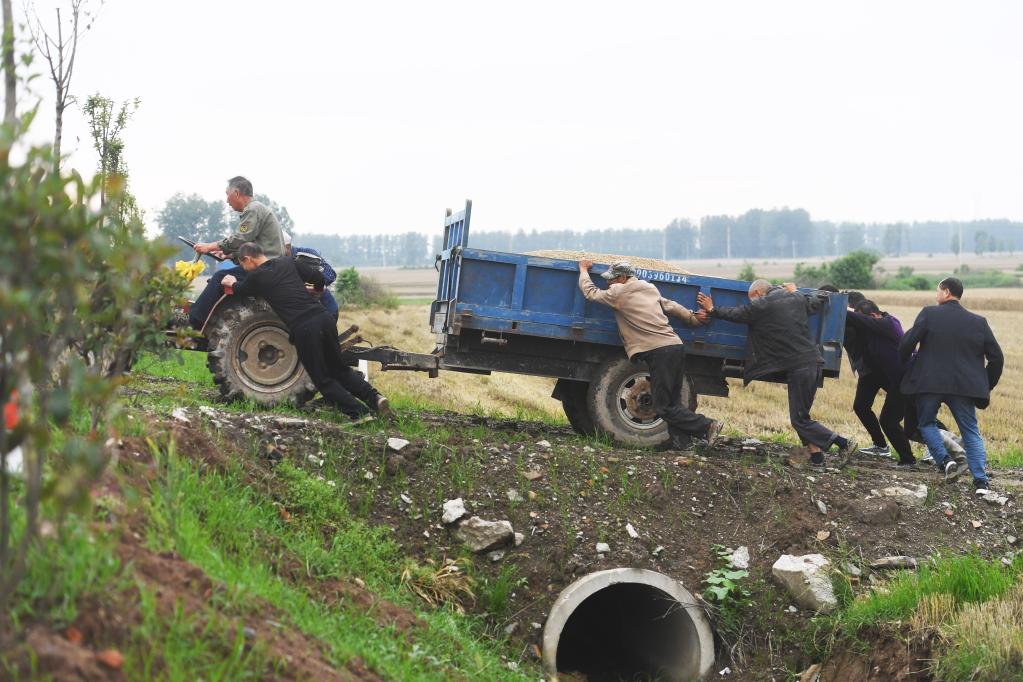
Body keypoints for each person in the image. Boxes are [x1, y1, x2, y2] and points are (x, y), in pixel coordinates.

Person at [222, 242, 390, 422]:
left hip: (306, 328)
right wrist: (317, 291)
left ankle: (359, 414)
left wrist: (230, 281)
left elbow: (239, 289)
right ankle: (375, 398)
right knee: (339, 368)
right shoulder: (287, 262)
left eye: (242, 265)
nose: (244, 269)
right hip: (324, 318)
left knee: (322, 379)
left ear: (247, 259)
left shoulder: (256, 277)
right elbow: (319, 277)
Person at [696, 280, 857, 468]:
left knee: (800, 420)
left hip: (800, 366)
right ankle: (817, 459)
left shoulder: (762, 304)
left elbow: (737, 314)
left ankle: (844, 444)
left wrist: (712, 309)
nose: (752, 302)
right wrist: (797, 291)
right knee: (801, 415)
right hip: (811, 363)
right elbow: (814, 302)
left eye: (751, 299)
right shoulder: (794, 298)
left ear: (757, 293)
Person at [578, 260, 723, 451]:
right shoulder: (649, 288)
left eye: (611, 279)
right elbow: (670, 306)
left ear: (622, 277)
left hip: (659, 352)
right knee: (672, 403)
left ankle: (708, 426)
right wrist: (693, 318)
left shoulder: (618, 292)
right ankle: (682, 445)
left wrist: (583, 270)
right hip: (675, 347)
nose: (608, 283)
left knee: (663, 407)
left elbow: (590, 292)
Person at [899, 277, 1003, 493]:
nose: (936, 295)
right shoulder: (979, 322)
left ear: (946, 292)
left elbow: (907, 343)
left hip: (929, 382)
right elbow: (997, 358)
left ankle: (946, 461)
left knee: (926, 424)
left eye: (937, 291)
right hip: (964, 387)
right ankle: (981, 482)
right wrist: (985, 384)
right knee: (971, 432)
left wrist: (905, 365)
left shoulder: (929, 313)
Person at [188, 177, 286, 330]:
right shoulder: (256, 209)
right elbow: (251, 247)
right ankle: (211, 321)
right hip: (268, 267)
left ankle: (192, 323)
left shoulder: (253, 209)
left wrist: (210, 247)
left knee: (219, 278)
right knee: (217, 281)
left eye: (227, 195)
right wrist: (229, 255)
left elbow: (240, 239)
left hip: (265, 269)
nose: (227, 201)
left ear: (236, 193)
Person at [845, 300, 916, 466]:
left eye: (866, 320)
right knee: (902, 420)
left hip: (907, 379)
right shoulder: (879, 325)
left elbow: (858, 320)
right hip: (899, 380)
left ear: (873, 315)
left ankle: (911, 459)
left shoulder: (887, 324)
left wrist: (836, 307)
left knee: (898, 421)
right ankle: (908, 458)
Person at [283, 232, 339, 320]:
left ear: (287, 246)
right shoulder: (278, 261)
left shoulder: (306, 254)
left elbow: (330, 274)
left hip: (325, 310)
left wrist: (311, 286)